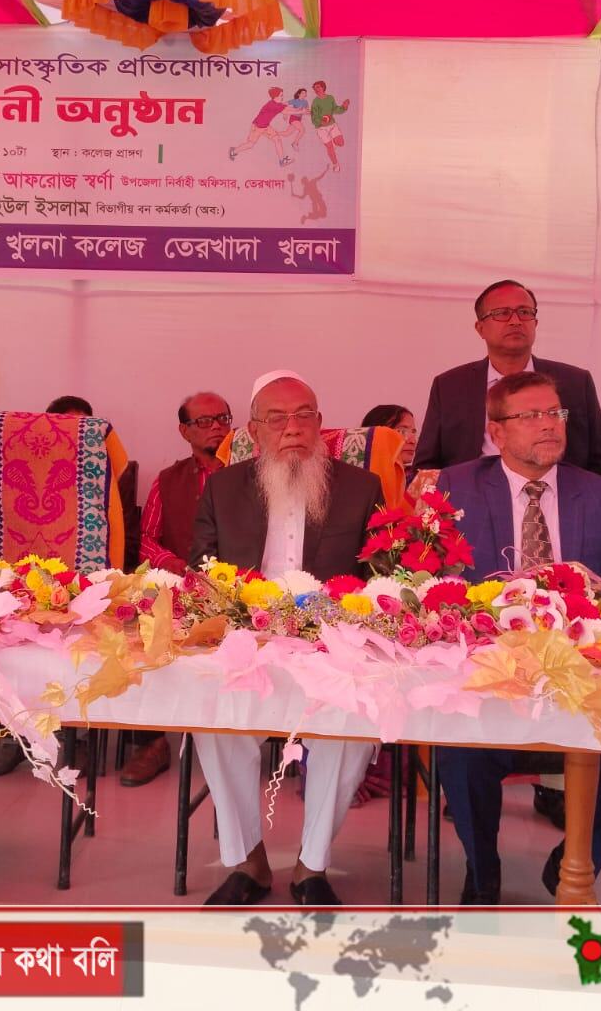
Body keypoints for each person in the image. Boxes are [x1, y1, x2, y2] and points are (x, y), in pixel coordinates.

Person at [434, 372, 601, 904]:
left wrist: (598, 601)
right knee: (458, 750)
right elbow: (432, 587)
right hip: (491, 677)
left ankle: (574, 862)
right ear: (496, 432)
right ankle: (482, 872)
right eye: (530, 416)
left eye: (555, 413)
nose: (549, 425)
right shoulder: (455, 489)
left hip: (581, 681)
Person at [189, 371, 384, 905]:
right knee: (214, 721)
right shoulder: (223, 488)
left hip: (331, 648)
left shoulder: (361, 487)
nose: (292, 428)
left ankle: (311, 867)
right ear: (254, 430)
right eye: (277, 418)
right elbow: (202, 571)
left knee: (349, 726)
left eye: (304, 416)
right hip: (246, 644)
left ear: (320, 423)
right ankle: (247, 862)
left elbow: (378, 577)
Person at [125, 392, 232, 787]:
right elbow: (146, 540)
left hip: (239, 590)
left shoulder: (251, 473)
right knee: (138, 633)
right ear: (184, 431)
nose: (217, 427)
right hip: (181, 586)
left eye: (223, 418)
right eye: (204, 421)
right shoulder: (168, 481)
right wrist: (176, 567)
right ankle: (151, 743)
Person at [415, 280, 601, 475]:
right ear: (480, 328)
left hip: (557, 490)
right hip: (469, 492)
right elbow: (426, 466)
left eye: (524, 312)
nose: (515, 321)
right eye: (502, 313)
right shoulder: (450, 386)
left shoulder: (575, 382)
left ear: (535, 324)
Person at [229, 88, 291, 166]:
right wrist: (300, 111)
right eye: (281, 95)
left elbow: (285, 107)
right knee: (250, 144)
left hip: (266, 126)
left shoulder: (277, 104)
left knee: (277, 139)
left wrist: (294, 110)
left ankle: (282, 161)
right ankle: (233, 151)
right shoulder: (272, 105)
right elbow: (286, 110)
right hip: (257, 127)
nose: (282, 97)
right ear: (276, 96)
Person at [307, 80, 351, 172]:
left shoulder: (330, 98)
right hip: (321, 128)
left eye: (318, 87)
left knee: (341, 143)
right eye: (315, 88)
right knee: (330, 147)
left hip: (332, 125)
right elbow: (314, 118)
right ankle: (335, 164)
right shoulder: (315, 102)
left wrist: (344, 107)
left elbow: (336, 109)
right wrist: (321, 122)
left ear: (323, 87)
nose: (316, 89)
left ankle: (333, 143)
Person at [360, 404, 418, 471]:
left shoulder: (419, 475)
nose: (413, 441)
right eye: (402, 432)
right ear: (374, 436)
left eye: (413, 432)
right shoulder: (355, 475)